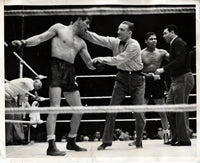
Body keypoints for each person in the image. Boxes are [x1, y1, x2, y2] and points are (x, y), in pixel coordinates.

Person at [12, 16, 95, 156]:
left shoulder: (81, 42)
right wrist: (23, 42)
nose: (88, 27)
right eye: (87, 23)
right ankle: (51, 145)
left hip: (70, 71)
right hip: (55, 68)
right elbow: (40, 38)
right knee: (55, 107)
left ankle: (71, 140)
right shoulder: (59, 28)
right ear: (79, 20)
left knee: (79, 109)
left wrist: (100, 64)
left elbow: (89, 63)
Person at [82, 20, 146, 150]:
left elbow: (119, 59)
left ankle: (139, 141)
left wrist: (102, 59)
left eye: (122, 30)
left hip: (137, 79)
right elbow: (99, 39)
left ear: (130, 33)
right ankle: (106, 141)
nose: (118, 32)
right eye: (118, 29)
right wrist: (83, 32)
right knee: (111, 109)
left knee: (139, 113)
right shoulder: (115, 41)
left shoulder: (134, 45)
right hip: (121, 78)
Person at [155, 24, 194, 146]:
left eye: (165, 33)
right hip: (177, 80)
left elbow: (180, 61)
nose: (163, 36)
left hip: (182, 78)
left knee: (179, 109)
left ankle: (184, 139)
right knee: (169, 108)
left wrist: (163, 69)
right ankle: (176, 136)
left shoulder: (179, 42)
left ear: (172, 32)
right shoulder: (175, 43)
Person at [139, 32, 170, 144]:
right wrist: (147, 75)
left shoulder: (162, 52)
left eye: (155, 39)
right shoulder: (141, 53)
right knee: (141, 110)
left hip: (158, 82)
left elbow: (174, 62)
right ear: (146, 41)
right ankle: (138, 138)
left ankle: (166, 135)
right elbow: (136, 70)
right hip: (145, 82)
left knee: (162, 110)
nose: (154, 41)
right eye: (151, 39)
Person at [5, 78, 42, 146]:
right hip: (4, 93)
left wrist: (34, 98)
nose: (37, 88)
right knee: (10, 116)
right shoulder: (28, 81)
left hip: (12, 97)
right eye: (38, 86)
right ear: (35, 81)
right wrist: (35, 94)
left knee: (18, 116)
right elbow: (30, 88)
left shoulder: (26, 88)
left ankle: (19, 138)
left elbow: (24, 99)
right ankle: (7, 140)